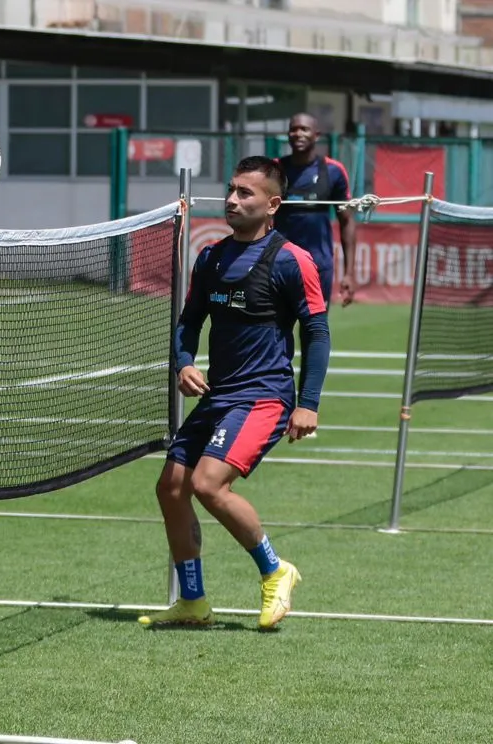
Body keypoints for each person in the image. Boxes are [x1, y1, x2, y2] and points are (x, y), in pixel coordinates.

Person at [139, 156, 330, 630]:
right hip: (219, 394)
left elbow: (318, 334)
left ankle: (275, 570)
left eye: (246, 193)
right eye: (231, 190)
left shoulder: (291, 260)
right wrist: (184, 363)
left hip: (264, 395)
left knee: (207, 484)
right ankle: (194, 601)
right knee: (171, 488)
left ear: (273, 205)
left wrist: (308, 403)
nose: (232, 199)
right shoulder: (211, 257)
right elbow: (188, 323)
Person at [273, 112, 358, 307]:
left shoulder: (334, 171)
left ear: (316, 135)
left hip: (318, 266)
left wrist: (349, 274)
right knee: (274, 331)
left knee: (314, 331)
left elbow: (347, 222)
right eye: (293, 129)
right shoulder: (274, 170)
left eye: (304, 129)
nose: (298, 134)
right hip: (278, 264)